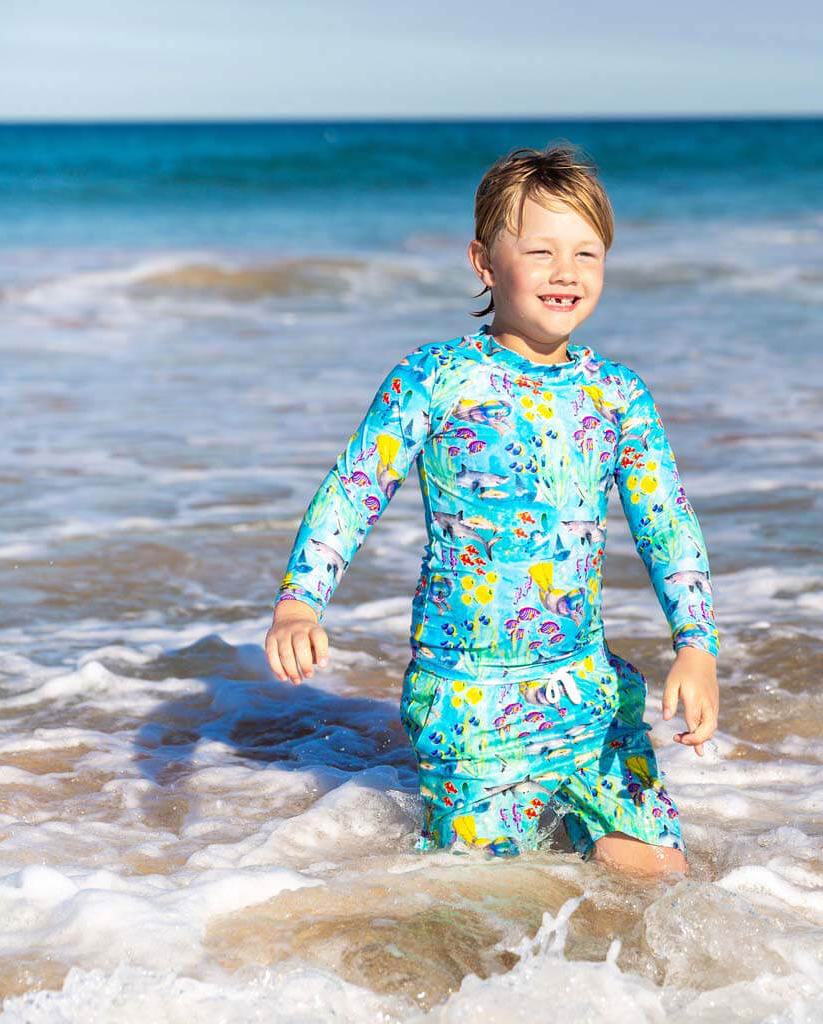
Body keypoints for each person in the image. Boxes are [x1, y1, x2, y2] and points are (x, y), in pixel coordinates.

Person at [264, 144, 719, 877]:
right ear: (483, 261)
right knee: (487, 894)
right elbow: (355, 487)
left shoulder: (618, 396)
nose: (565, 272)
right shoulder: (437, 377)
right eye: (539, 251)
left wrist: (696, 644)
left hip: (586, 696)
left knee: (658, 872)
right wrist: (299, 603)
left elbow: (666, 522)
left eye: (587, 253)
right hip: (469, 702)